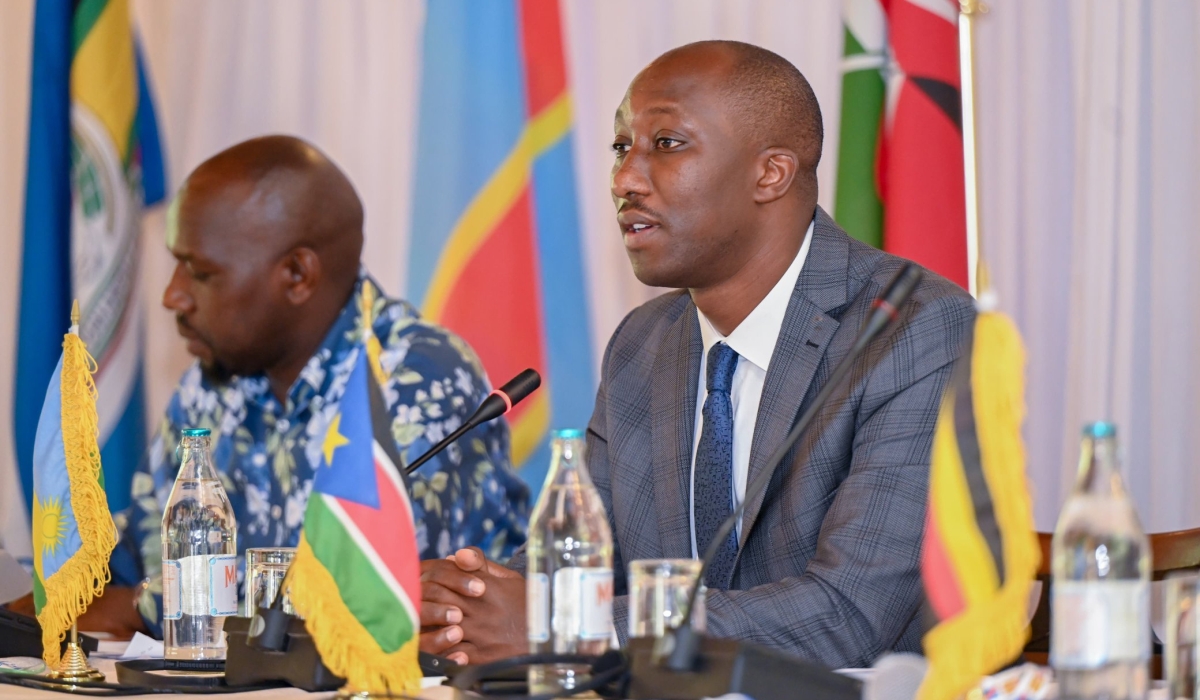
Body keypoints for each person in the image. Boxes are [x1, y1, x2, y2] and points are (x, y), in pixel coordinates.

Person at [418, 40, 974, 669]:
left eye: (668, 144)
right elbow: (595, 559)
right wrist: (467, 601)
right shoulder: (643, 343)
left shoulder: (911, 330)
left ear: (771, 173)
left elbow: (848, 614)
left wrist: (567, 625)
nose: (625, 179)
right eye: (622, 147)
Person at [84, 135, 528, 638]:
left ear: (297, 275)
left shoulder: (417, 378)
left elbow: (367, 585)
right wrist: (52, 591)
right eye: (176, 263)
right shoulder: (216, 380)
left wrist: (141, 606)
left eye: (200, 272)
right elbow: (138, 547)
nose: (173, 295)